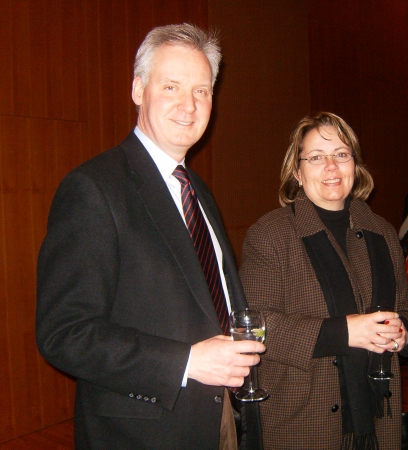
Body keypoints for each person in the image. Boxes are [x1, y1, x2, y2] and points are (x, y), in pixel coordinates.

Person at [36, 24, 264, 450]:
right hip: (144, 432)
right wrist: (188, 361)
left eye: (202, 90)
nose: (189, 105)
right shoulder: (93, 188)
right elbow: (65, 333)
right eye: (172, 86)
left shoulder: (198, 191)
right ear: (139, 89)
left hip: (223, 418)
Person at [239, 112, 408, 449]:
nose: (331, 167)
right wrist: (345, 332)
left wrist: (402, 334)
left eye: (341, 154)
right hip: (305, 422)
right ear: (297, 170)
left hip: (381, 420)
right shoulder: (271, 234)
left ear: (355, 164)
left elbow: (407, 312)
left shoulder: (380, 230)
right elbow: (258, 328)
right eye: (317, 157)